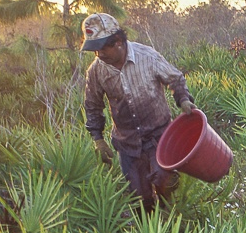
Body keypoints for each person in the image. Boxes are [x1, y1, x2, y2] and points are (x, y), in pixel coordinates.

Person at [80, 12, 197, 211]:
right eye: (95, 50)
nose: (99, 55)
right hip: (127, 144)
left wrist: (183, 99)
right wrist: (97, 139)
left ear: (117, 42)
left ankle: (173, 232)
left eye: (102, 49)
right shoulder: (96, 70)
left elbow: (176, 78)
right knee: (139, 201)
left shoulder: (147, 57)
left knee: (166, 187)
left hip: (158, 137)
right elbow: (93, 105)